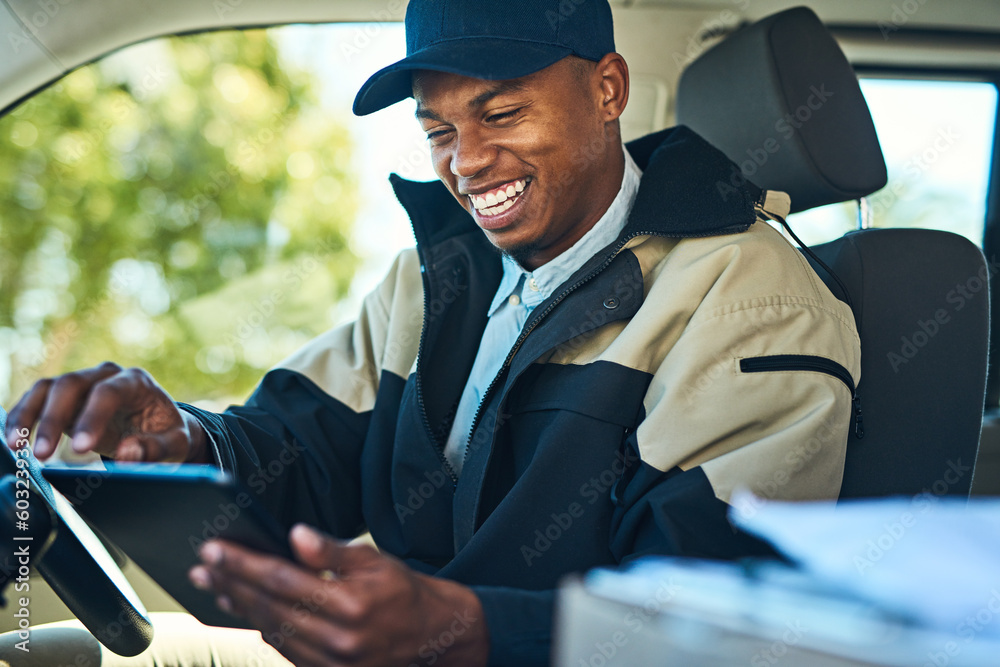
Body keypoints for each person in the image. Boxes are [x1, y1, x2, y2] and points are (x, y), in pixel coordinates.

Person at [4, 0, 861, 665]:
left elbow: (722, 624)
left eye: (503, 113)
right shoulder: (439, 274)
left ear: (609, 89)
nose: (467, 161)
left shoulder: (747, 300)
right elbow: (305, 451)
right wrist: (187, 442)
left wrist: (470, 631)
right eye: (439, 131)